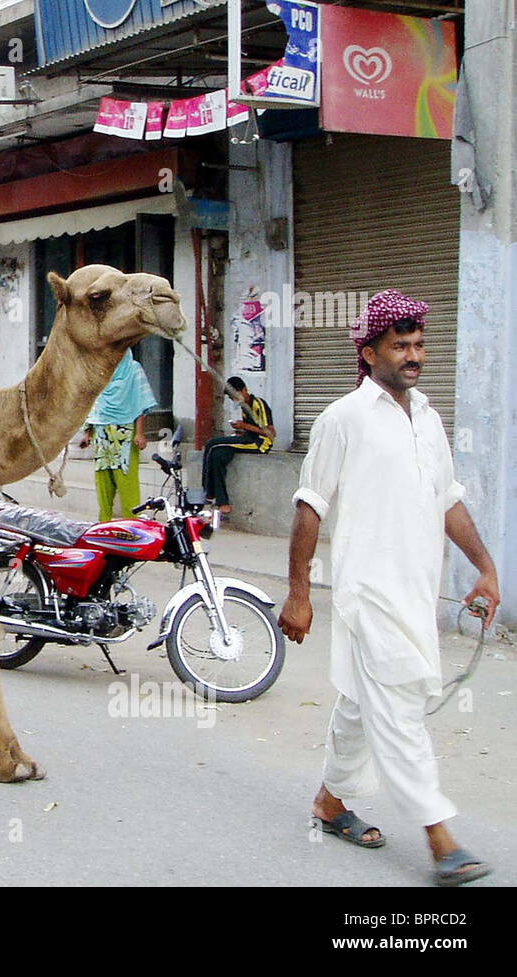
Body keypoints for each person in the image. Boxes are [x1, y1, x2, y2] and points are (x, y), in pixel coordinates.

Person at [277, 288, 500, 887]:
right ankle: (441, 839)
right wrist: (299, 593)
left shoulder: (427, 416)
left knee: (359, 703)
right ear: (369, 350)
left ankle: (330, 801)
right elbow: (309, 507)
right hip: (367, 592)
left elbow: (447, 500)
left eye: (419, 344)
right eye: (400, 345)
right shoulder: (342, 419)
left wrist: (485, 566)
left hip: (415, 592)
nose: (412, 354)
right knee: (399, 710)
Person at [80, 350, 157, 521]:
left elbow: (140, 402)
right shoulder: (101, 369)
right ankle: (104, 524)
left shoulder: (133, 369)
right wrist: (87, 433)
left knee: (126, 482)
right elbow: (93, 401)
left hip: (125, 434)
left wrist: (140, 433)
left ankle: (133, 526)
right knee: (103, 484)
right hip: (101, 434)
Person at [201, 375, 275, 518]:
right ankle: (223, 503)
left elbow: (270, 433)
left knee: (211, 443)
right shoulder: (244, 406)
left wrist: (245, 426)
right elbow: (252, 427)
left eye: (235, 396)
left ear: (244, 390)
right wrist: (240, 429)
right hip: (247, 437)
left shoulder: (258, 405)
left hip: (259, 443)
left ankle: (207, 492)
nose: (235, 400)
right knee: (217, 455)